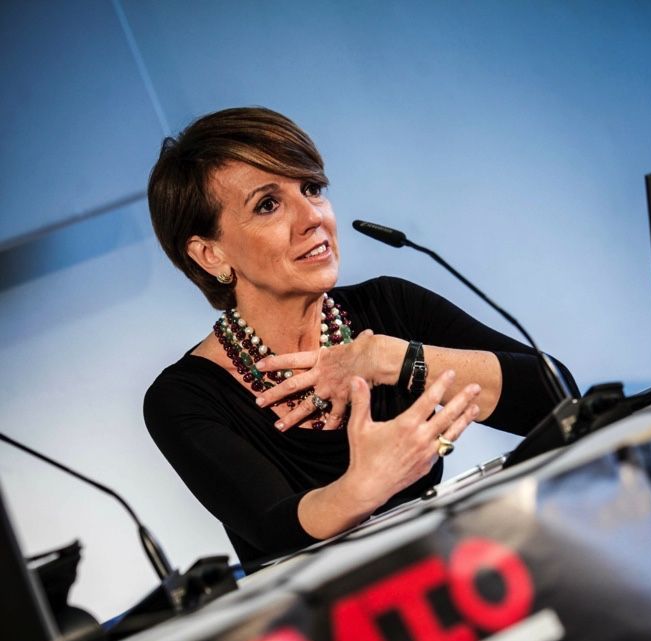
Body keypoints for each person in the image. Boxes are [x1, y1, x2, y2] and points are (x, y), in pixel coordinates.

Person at [145, 107, 574, 573]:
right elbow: (275, 529)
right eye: (268, 205)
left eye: (312, 189)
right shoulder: (184, 397)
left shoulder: (390, 307)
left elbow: (556, 397)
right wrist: (366, 485)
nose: (312, 217)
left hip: (460, 575)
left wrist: (390, 358)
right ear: (210, 254)